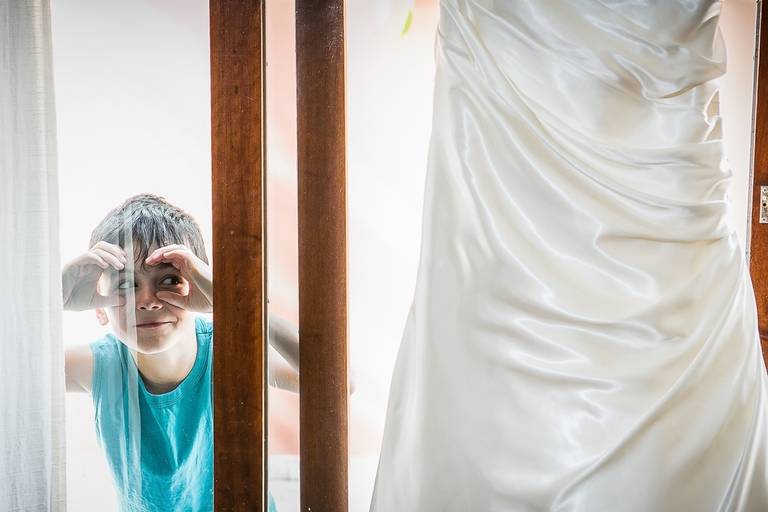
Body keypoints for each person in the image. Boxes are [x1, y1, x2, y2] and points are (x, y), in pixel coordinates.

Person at [62, 193, 293, 511]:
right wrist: (50, 298)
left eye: (169, 280)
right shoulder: (102, 364)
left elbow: (340, 382)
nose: (148, 301)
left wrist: (234, 302)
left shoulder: (231, 351)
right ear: (99, 309)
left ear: (200, 290)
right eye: (126, 285)